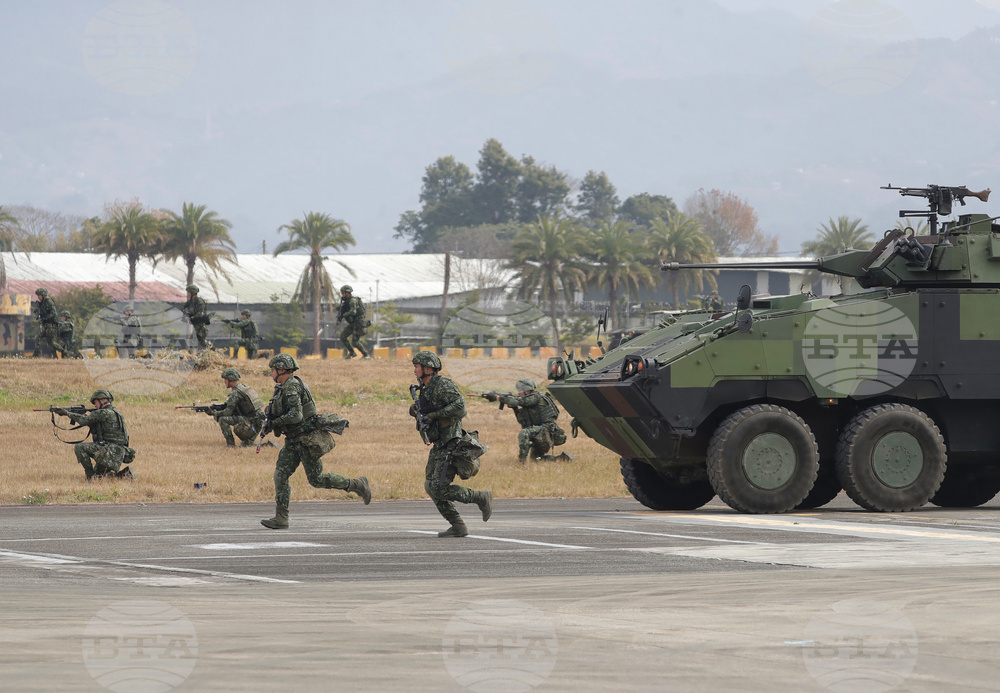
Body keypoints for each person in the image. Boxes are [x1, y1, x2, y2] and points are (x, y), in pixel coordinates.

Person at [260, 353, 371, 529]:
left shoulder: (292, 387)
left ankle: (357, 484)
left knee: (316, 479)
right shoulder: (283, 387)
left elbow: (296, 415)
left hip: (305, 440)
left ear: (282, 370)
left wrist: (275, 422)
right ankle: (281, 518)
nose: (271, 373)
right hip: (293, 441)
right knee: (280, 474)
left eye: (272, 370)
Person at [409, 350, 492, 538]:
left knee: (439, 487)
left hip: (452, 442)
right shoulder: (426, 388)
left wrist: (433, 415)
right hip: (439, 443)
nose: (414, 370)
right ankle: (457, 525)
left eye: (416, 366)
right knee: (431, 486)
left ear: (427, 368)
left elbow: (460, 408)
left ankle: (479, 497)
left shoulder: (443, 385)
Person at [51, 389, 135, 481]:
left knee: (79, 447)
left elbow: (84, 421)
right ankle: (125, 475)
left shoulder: (104, 412)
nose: (95, 405)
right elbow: (94, 424)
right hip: (117, 453)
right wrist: (83, 416)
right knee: (99, 477)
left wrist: (67, 413)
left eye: (95, 402)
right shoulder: (115, 412)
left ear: (103, 400)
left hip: (109, 452)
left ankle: (90, 477)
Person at [484, 378, 572, 465]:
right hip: (541, 432)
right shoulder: (527, 402)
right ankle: (562, 459)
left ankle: (521, 462)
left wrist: (497, 397)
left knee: (524, 433)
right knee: (536, 459)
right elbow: (521, 419)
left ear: (526, 390)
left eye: (520, 390)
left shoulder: (535, 397)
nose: (518, 392)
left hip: (545, 429)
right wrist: (514, 407)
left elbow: (518, 401)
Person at [214, 367, 267, 447]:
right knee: (246, 445)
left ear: (230, 379)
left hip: (251, 423)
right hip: (257, 422)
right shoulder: (243, 387)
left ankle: (230, 444)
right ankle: (257, 443)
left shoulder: (235, 393)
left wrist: (215, 413)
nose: (224, 381)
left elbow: (228, 412)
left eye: (225, 379)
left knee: (222, 419)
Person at [336, 285, 370, 359]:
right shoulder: (347, 301)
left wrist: (345, 314)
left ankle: (366, 355)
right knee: (343, 336)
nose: (342, 295)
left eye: (343, 293)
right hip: (354, 323)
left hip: (359, 323)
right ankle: (352, 352)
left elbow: (353, 312)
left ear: (348, 293)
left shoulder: (352, 301)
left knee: (355, 342)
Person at [32, 287, 64, 358]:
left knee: (52, 343)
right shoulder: (42, 303)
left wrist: (45, 318)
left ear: (43, 295)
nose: (38, 297)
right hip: (46, 325)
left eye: (39, 296)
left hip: (51, 325)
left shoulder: (49, 302)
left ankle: (64, 352)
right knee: (40, 338)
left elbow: (53, 313)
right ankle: (36, 355)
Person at [181, 284, 211, 351]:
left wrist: (192, 317)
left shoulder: (199, 302)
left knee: (196, 340)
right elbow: (183, 306)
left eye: (188, 292)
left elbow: (200, 314)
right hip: (196, 325)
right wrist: (185, 312)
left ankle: (191, 353)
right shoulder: (191, 301)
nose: (188, 294)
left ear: (192, 293)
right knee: (202, 341)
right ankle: (210, 350)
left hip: (200, 325)